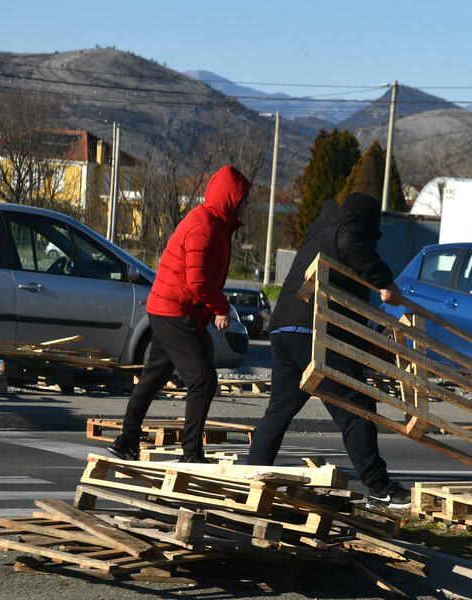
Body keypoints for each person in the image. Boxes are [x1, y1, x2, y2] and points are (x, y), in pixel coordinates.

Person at [247, 192, 409, 506]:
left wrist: (366, 347)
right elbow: (354, 246)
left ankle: (252, 476)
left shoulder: (321, 235)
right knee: (355, 406)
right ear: (367, 220)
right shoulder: (348, 229)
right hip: (313, 329)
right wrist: (385, 281)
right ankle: (380, 488)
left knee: (279, 410)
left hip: (284, 329)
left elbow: (348, 302)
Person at [108, 165, 252, 463]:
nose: (245, 207)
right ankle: (191, 455)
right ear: (230, 199)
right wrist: (221, 307)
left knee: (154, 377)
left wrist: (213, 308)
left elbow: (203, 280)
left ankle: (127, 441)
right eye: (242, 200)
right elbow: (198, 281)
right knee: (203, 380)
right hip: (174, 311)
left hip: (167, 308)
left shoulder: (216, 224)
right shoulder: (204, 226)